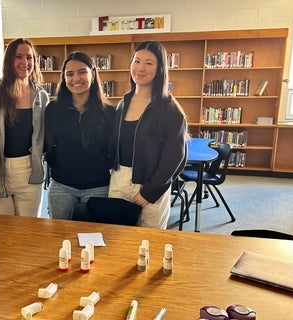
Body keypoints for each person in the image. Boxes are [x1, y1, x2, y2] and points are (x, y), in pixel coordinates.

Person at [108, 40, 188, 229]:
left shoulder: (170, 110)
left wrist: (150, 192)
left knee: (148, 243)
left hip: (149, 186)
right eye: (137, 61)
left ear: (160, 68)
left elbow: (175, 157)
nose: (140, 68)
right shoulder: (123, 103)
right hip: (119, 181)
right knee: (115, 239)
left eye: (149, 63)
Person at [0, 38, 49, 216]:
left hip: (30, 173)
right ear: (9, 61)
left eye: (29, 57)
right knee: (2, 234)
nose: (25, 62)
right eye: (18, 57)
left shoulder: (41, 97)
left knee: (29, 232)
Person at [44, 51, 116, 220]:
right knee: (60, 236)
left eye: (82, 71)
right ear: (64, 79)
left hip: (98, 186)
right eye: (69, 74)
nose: (76, 78)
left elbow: (113, 148)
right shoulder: (53, 109)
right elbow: (47, 142)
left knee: (95, 237)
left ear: (93, 74)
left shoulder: (109, 112)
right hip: (61, 185)